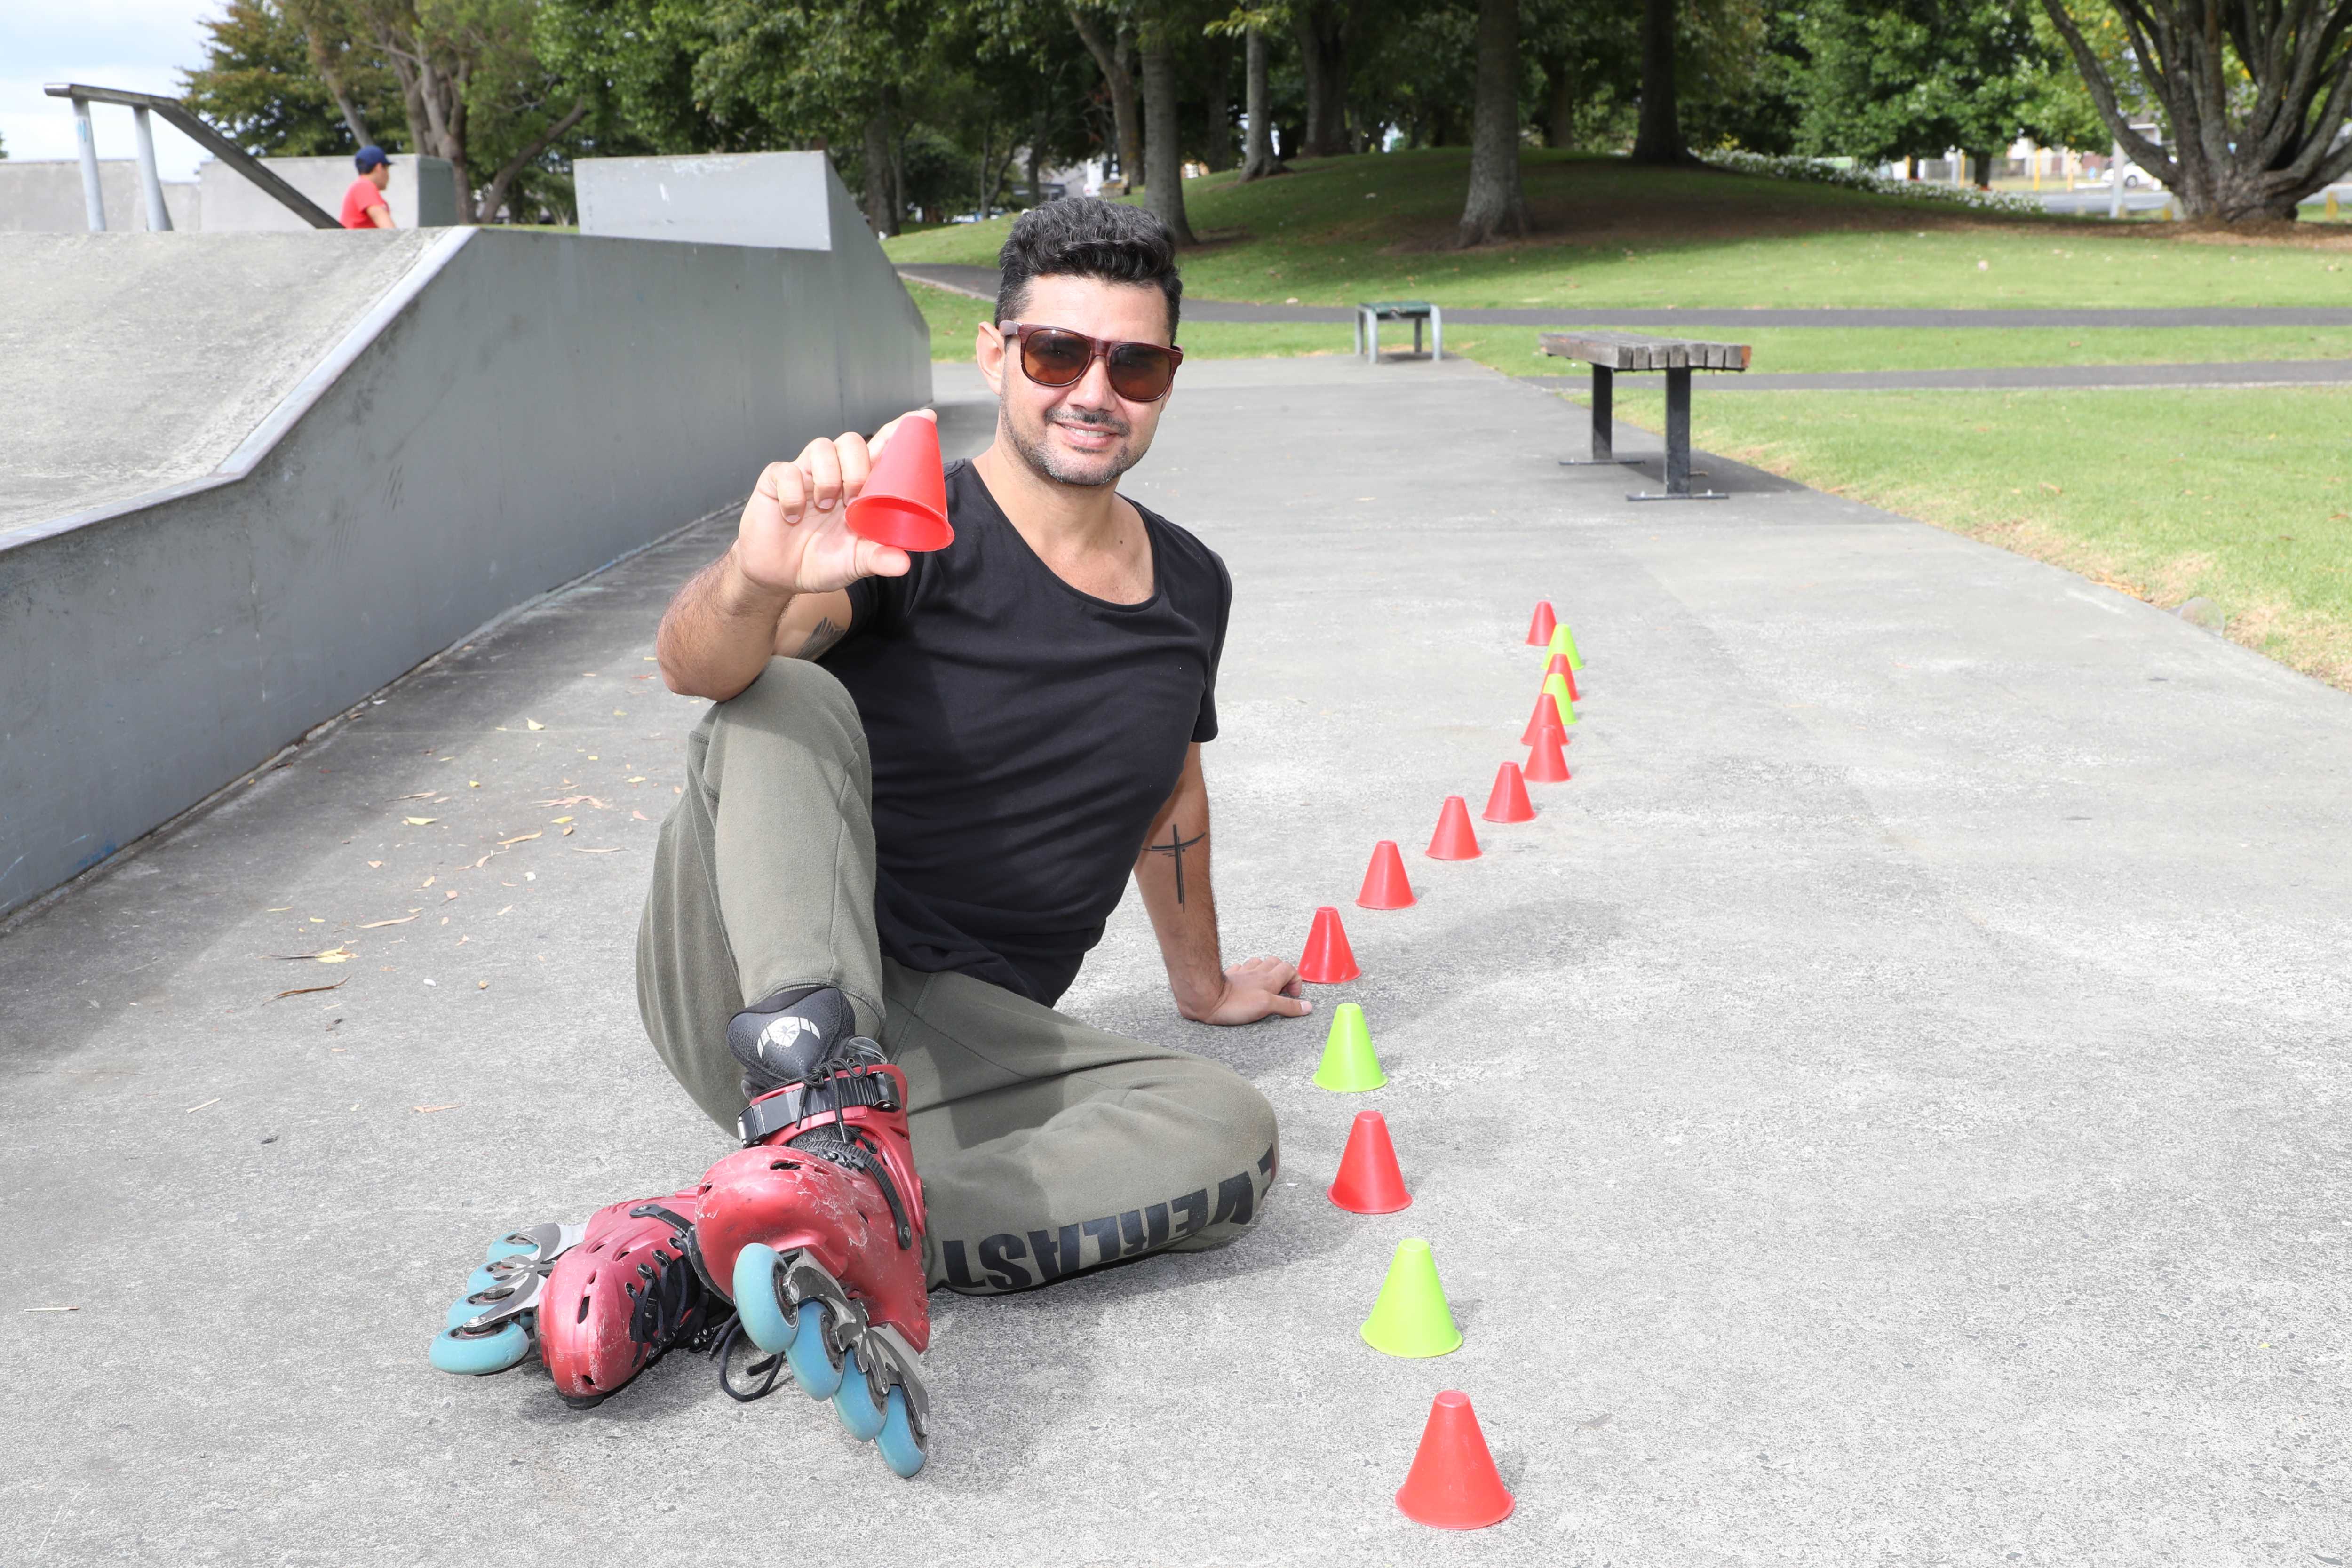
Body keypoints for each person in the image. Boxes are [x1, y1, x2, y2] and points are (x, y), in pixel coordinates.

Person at [637, 198, 1304, 1299]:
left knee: (1226, 1127)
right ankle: (822, 1124)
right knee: (784, 691)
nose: (1094, 391)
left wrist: (1203, 985)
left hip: (962, 1043)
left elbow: (1169, 783)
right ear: (994, 353)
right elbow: (703, 675)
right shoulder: (899, 534)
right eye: (1057, 351)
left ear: (1167, 383)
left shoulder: (1192, 585)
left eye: (1134, 366)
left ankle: (774, 1235)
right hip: (767, 978)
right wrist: (756, 581)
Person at [340, 147, 395, 230]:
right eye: (387, 169)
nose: (388, 175)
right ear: (379, 168)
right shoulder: (364, 186)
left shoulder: (360, 186)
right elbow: (388, 229)